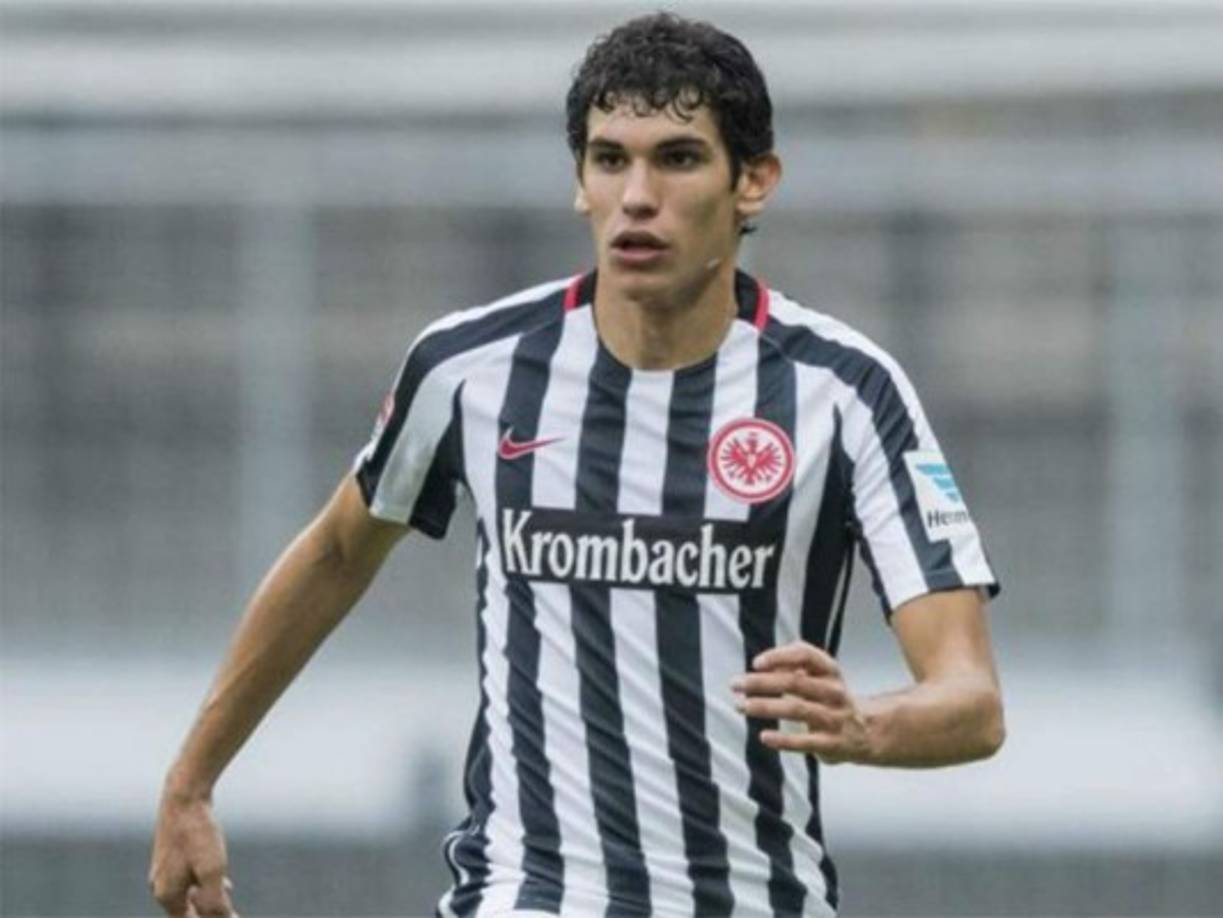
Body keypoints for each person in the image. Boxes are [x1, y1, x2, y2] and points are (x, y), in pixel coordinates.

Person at [149, 12, 1003, 918]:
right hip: (525, 895)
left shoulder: (845, 394)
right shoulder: (471, 369)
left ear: (753, 182)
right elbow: (335, 555)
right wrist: (190, 782)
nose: (637, 196)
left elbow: (972, 702)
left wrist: (863, 726)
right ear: (579, 184)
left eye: (677, 159)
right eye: (609, 159)